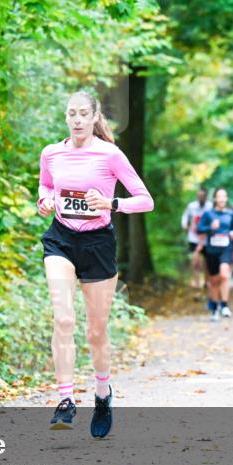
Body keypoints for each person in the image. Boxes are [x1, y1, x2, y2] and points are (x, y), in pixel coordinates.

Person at [37, 90, 154, 438]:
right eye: (70, 114)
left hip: (98, 243)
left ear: (94, 116)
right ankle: (65, 400)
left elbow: (146, 201)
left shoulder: (110, 154)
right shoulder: (52, 153)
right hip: (60, 238)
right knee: (63, 317)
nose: (76, 120)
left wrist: (109, 203)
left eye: (82, 114)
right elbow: (45, 186)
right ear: (65, 117)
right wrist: (44, 201)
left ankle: (102, 394)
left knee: (96, 331)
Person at [194, 188, 233, 322]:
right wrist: (210, 227)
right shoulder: (208, 214)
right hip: (212, 250)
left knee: (224, 275)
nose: (222, 199)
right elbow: (199, 228)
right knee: (214, 281)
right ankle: (215, 308)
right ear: (215, 199)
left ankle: (224, 305)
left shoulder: (230, 214)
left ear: (226, 198)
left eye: (224, 196)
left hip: (226, 249)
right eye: (219, 196)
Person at [181, 186, 212, 289]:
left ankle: (206, 282)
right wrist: (184, 224)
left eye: (203, 196)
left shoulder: (210, 206)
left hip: (207, 239)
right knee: (195, 262)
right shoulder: (191, 206)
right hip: (193, 238)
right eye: (199, 196)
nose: (201, 198)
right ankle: (197, 283)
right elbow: (185, 216)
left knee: (207, 263)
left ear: (206, 196)